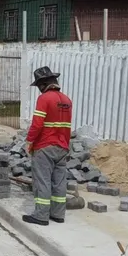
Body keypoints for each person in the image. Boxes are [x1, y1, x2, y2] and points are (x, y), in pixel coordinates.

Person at [23, 66, 73, 226]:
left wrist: (29, 141)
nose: (39, 90)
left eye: (39, 86)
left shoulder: (45, 99)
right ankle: (58, 214)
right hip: (62, 146)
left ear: (43, 84)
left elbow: (37, 124)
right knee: (59, 182)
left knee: (42, 180)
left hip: (45, 146)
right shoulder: (66, 100)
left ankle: (41, 215)